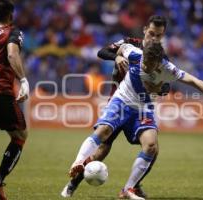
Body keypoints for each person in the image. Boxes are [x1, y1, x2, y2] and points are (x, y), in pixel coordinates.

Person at [65, 41, 203, 200]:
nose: (145, 65)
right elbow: (120, 48)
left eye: (149, 63)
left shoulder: (167, 68)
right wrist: (117, 56)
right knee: (103, 131)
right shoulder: (135, 53)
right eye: (145, 60)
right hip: (122, 101)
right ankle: (78, 162)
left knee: (151, 145)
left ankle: (128, 189)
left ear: (158, 62)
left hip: (144, 109)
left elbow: (194, 81)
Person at [61, 15, 169, 198]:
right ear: (145, 30)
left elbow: (166, 86)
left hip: (141, 108)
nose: (154, 39)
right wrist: (116, 57)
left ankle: (134, 185)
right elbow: (102, 52)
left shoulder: (160, 56)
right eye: (152, 33)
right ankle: (72, 184)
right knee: (102, 149)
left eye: (159, 36)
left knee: (153, 148)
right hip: (119, 103)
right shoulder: (129, 43)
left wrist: (157, 87)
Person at [0, 1, 29, 200]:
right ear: (11, 16)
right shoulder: (12, 32)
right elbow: (12, 54)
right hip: (0, 94)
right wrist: (24, 80)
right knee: (20, 135)